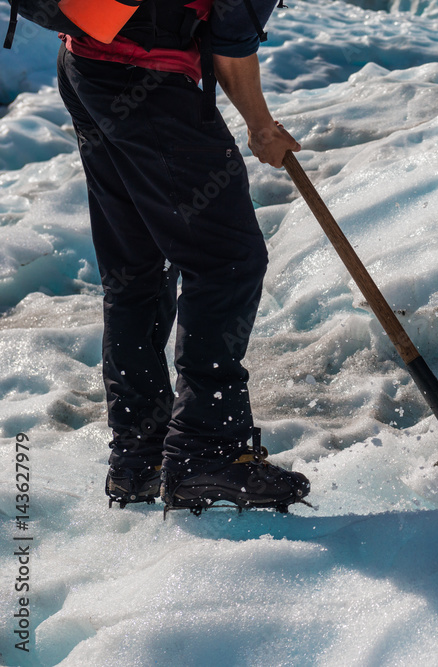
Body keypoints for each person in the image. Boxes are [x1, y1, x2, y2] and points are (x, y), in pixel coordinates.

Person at [53, 0, 311, 513]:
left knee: (137, 269)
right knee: (226, 260)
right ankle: (205, 453)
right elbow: (233, 40)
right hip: (143, 80)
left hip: (85, 65)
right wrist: (260, 126)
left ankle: (140, 454)